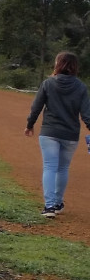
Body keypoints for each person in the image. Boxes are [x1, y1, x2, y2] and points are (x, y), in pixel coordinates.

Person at [25, 51, 90, 217]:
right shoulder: (81, 87)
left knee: (49, 167)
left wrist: (30, 125)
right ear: (75, 67)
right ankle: (58, 202)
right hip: (70, 134)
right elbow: (87, 114)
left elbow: (36, 107)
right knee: (62, 169)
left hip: (49, 132)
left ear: (58, 64)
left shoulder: (48, 83)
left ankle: (49, 207)